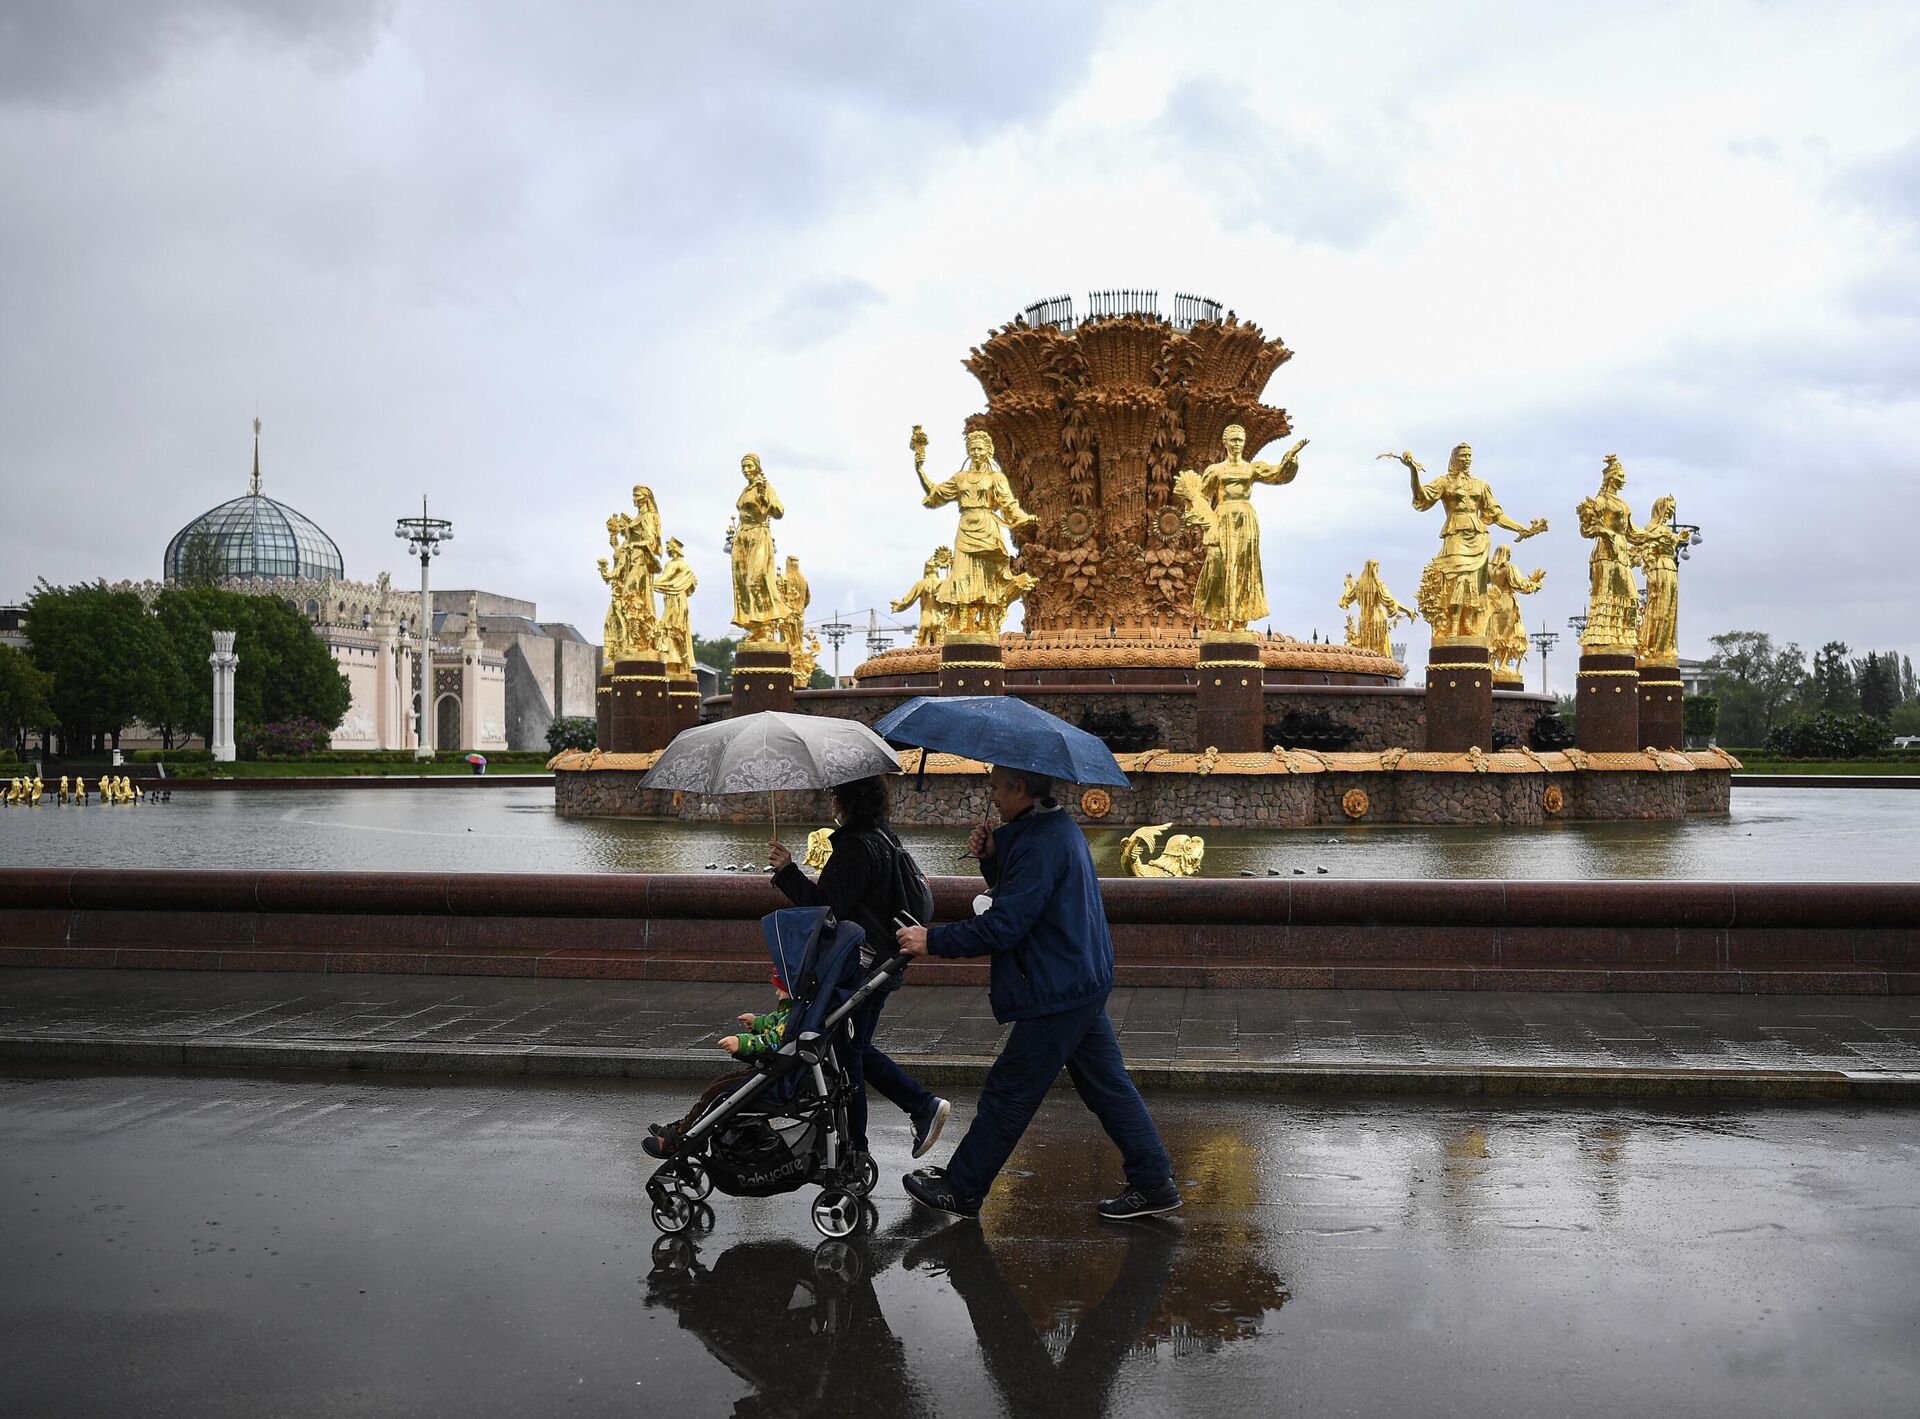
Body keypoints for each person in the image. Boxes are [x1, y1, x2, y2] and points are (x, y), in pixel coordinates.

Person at [895, 765, 1179, 1221]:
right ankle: (1153, 1182)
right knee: (1107, 1087)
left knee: (1010, 1090)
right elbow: (1027, 892)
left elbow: (1006, 924)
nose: (993, 797)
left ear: (1020, 788)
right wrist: (992, 855)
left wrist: (932, 940)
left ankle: (963, 1189)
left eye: (996, 789)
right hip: (1080, 977)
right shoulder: (1052, 828)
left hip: (1057, 986)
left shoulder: (1041, 842)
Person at [769, 775, 951, 1165]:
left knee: (849, 1054)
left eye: (836, 794)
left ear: (847, 800)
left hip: (862, 966)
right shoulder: (883, 836)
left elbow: (826, 908)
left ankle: (859, 1147)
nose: (833, 801)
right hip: (883, 961)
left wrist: (787, 871)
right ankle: (909, 1114)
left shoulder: (854, 846)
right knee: (853, 1048)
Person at [641, 971, 792, 1159]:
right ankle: (684, 1127)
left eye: (780, 988)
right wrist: (757, 1021)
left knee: (719, 1096)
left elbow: (772, 1042)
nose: (777, 993)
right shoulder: (795, 1010)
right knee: (721, 1084)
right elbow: (776, 1023)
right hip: (778, 1072)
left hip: (778, 1080)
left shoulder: (793, 1014)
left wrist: (742, 1043)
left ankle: (679, 1142)